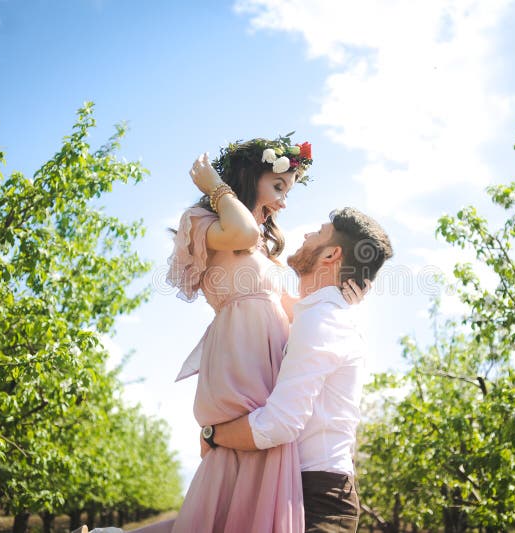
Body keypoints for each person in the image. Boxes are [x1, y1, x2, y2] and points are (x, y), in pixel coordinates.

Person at [139, 137, 366, 533]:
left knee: (244, 484)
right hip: (241, 364)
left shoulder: (263, 248)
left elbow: (289, 307)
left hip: (267, 364)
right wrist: (215, 186)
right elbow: (242, 232)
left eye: (288, 192)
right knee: (244, 464)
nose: (282, 202)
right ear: (249, 177)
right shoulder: (205, 223)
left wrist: (340, 307)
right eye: (278, 187)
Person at [200, 207, 393, 533]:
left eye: (318, 232)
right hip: (295, 488)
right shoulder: (320, 314)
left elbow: (279, 423)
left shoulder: (323, 320)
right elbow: (280, 295)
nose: (306, 235)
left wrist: (213, 435)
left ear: (332, 253)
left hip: (319, 502)